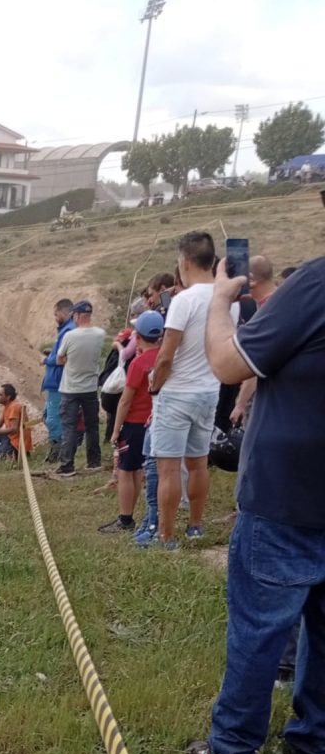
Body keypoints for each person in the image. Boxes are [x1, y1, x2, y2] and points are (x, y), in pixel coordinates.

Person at [188, 256, 325, 754]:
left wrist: (221, 300)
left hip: (287, 495)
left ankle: (232, 751)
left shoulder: (314, 284)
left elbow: (229, 363)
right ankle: (316, 749)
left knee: (260, 629)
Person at [143, 232, 238, 549]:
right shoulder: (227, 300)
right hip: (208, 391)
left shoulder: (184, 300)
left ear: (184, 262)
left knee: (168, 468)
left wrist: (155, 385)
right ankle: (195, 525)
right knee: (198, 463)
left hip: (177, 392)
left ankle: (166, 535)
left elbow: (166, 355)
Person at [99, 311, 164, 533]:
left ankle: (125, 518)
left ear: (139, 335)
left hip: (135, 422)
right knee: (139, 470)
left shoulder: (138, 363)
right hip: (156, 421)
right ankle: (136, 515)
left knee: (127, 470)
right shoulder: (166, 358)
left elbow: (126, 400)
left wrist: (116, 430)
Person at [53, 301, 106, 478]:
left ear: (76, 315)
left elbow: (59, 359)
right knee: (92, 426)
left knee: (69, 426)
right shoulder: (100, 334)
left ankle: (67, 465)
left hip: (70, 388)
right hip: (90, 387)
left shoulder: (70, 336)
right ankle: (94, 462)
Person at [229, 255, 277, 426]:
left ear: (251, 280)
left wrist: (240, 404)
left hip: (266, 397)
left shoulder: (267, 311)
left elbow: (254, 365)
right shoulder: (279, 301)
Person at [40, 299, 76, 463]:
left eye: (56, 314)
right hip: (56, 381)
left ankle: (58, 452)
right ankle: (59, 448)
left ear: (64, 312)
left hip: (58, 381)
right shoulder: (66, 330)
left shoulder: (68, 331)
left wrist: (47, 360)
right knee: (48, 415)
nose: (55, 318)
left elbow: (62, 358)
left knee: (54, 418)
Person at [0, 384, 33, 461]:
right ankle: (0, 455)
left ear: (8, 397)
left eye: (0, 395)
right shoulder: (7, 406)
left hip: (16, 442)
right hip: (10, 438)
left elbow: (14, 429)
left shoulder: (14, 407)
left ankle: (7, 455)